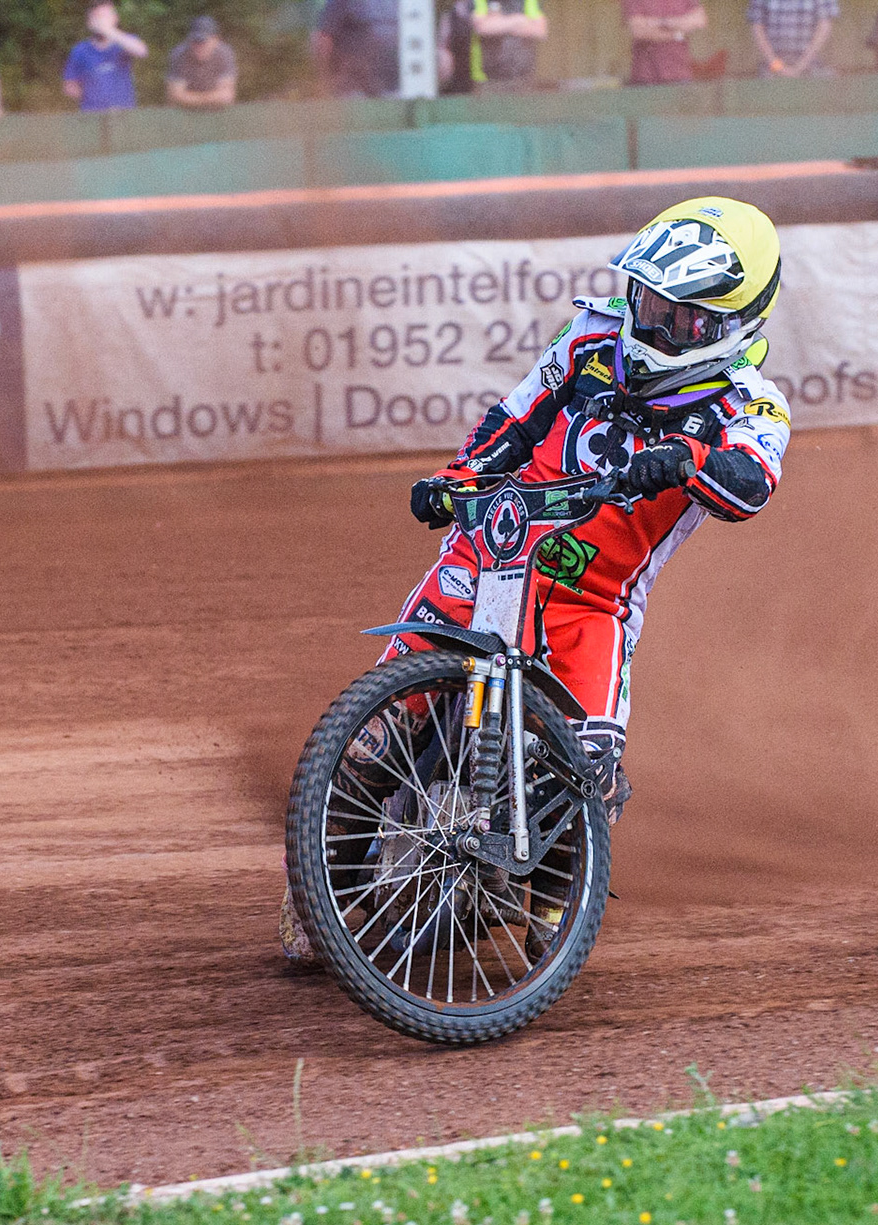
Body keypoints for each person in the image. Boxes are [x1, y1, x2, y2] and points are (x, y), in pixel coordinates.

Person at [278, 197, 793, 963]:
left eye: (674, 315)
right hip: (486, 555)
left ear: (727, 325)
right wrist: (456, 479)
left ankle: (551, 922)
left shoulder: (749, 404)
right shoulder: (590, 337)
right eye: (645, 298)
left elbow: (752, 484)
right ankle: (320, 896)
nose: (647, 320)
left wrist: (687, 461)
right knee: (370, 739)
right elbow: (514, 418)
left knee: (588, 775)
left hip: (592, 604)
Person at [62, 0, 147, 110]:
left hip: (123, 115)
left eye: (106, 16)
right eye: (97, 17)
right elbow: (69, 86)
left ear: (115, 18)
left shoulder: (124, 43)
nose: (101, 21)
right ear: (89, 23)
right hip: (92, 117)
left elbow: (142, 52)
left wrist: (109, 31)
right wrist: (92, 97)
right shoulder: (79, 51)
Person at [312, 0, 399, 98]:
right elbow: (324, 37)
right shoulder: (342, 3)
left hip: (392, 88)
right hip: (352, 89)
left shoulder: (402, 4)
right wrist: (322, 80)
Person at [622, 0, 707, 86]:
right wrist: (678, 34)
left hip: (680, 74)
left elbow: (699, 20)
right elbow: (639, 31)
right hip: (646, 77)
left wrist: (662, 22)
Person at [747, 0, 838, 77]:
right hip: (771, 69)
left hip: (811, 66)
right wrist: (777, 66)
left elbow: (824, 26)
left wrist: (800, 66)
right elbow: (757, 27)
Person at [166, 15, 236, 109]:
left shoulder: (225, 54)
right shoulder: (179, 54)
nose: (198, 45)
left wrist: (193, 98)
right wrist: (211, 98)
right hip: (185, 112)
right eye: (195, 41)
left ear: (215, 40)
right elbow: (175, 96)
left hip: (217, 110)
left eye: (203, 41)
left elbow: (227, 96)